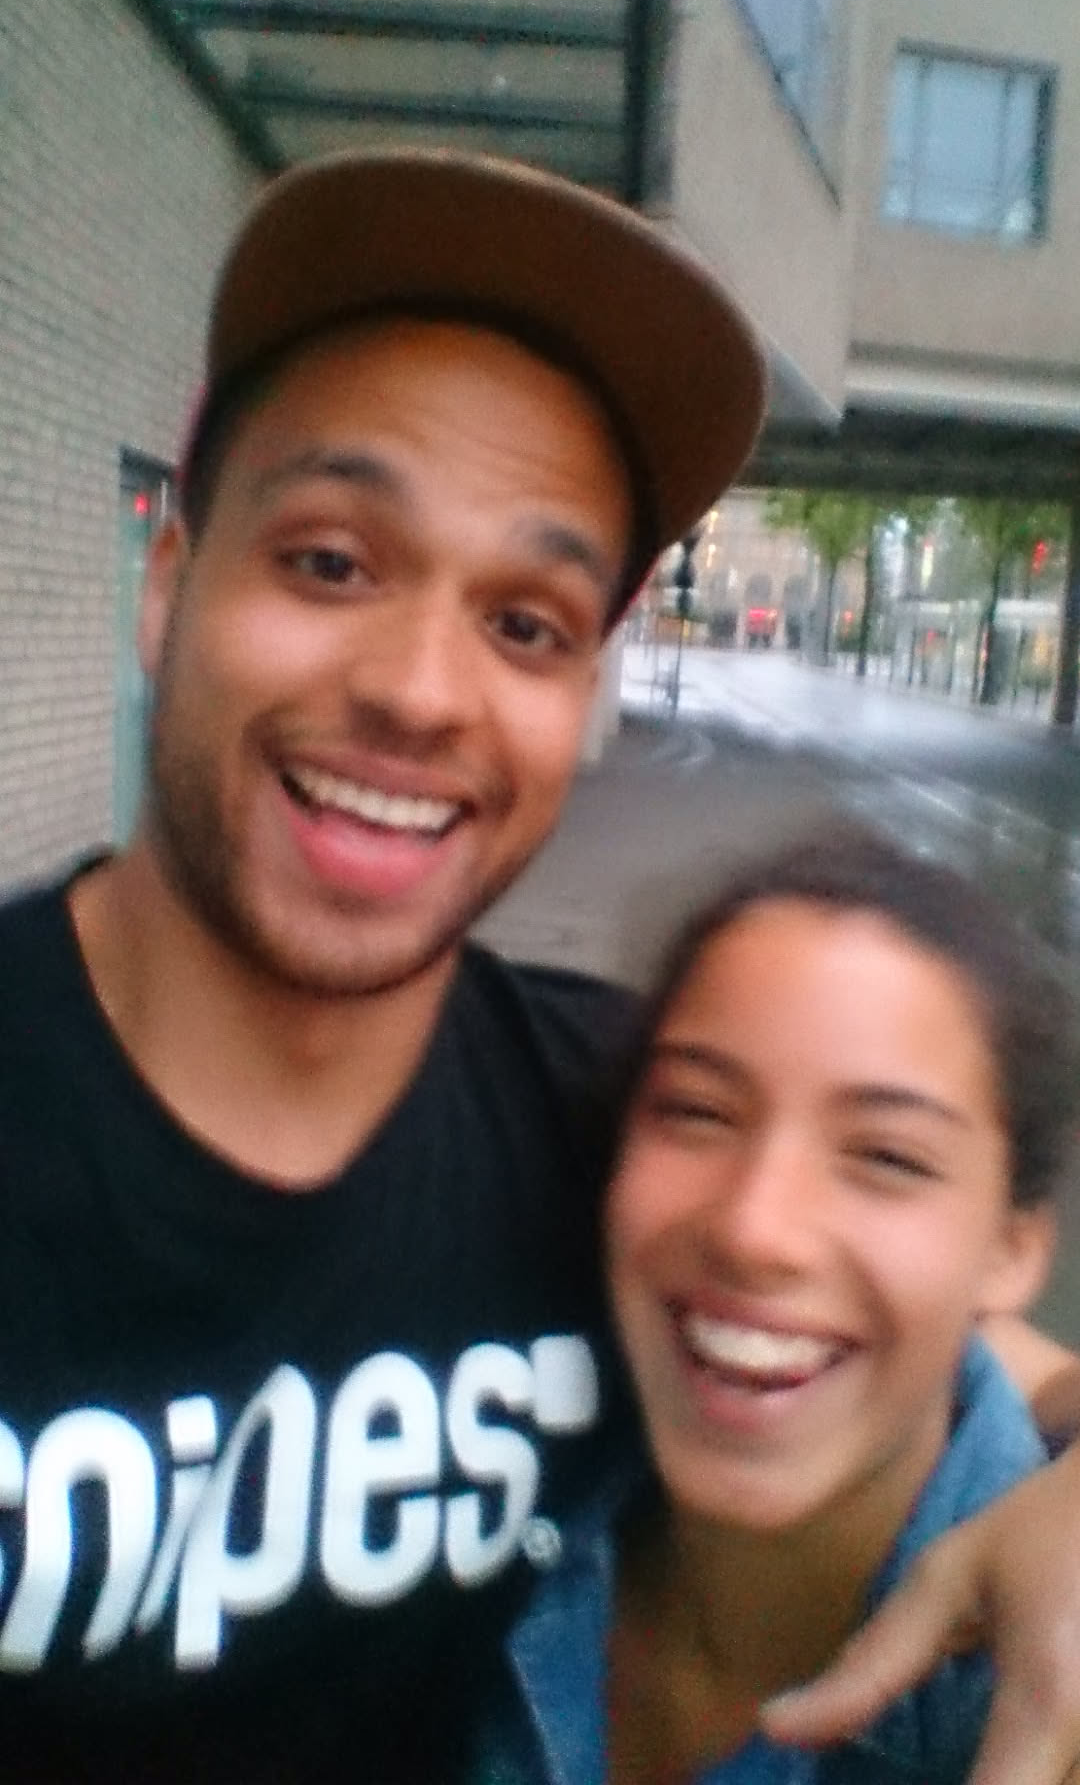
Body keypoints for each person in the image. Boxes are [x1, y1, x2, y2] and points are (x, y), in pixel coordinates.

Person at [1, 145, 1080, 1783]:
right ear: (167, 586)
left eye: (525, 625)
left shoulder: (617, 1125)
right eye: (330, 561)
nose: (420, 692)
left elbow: (936, 1321)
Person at [474, 834, 1077, 1784]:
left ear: (1012, 1250)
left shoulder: (1035, 1676)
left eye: (887, 1157)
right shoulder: (481, 1458)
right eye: (697, 1112)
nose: (755, 1229)